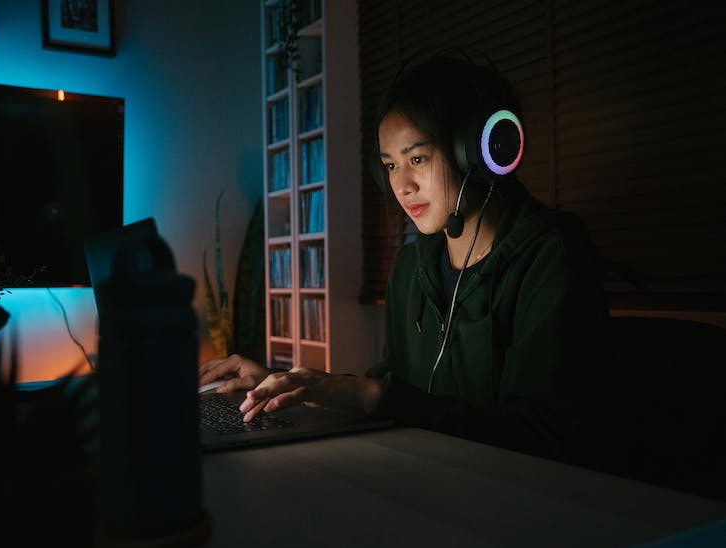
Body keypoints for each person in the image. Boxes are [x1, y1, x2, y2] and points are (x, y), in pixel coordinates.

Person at [199, 52, 611, 466]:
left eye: (417, 159)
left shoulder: (551, 255)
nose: (402, 185)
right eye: (390, 165)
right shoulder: (412, 269)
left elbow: (543, 438)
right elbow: (396, 393)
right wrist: (280, 383)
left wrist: (377, 396)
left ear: (480, 150)